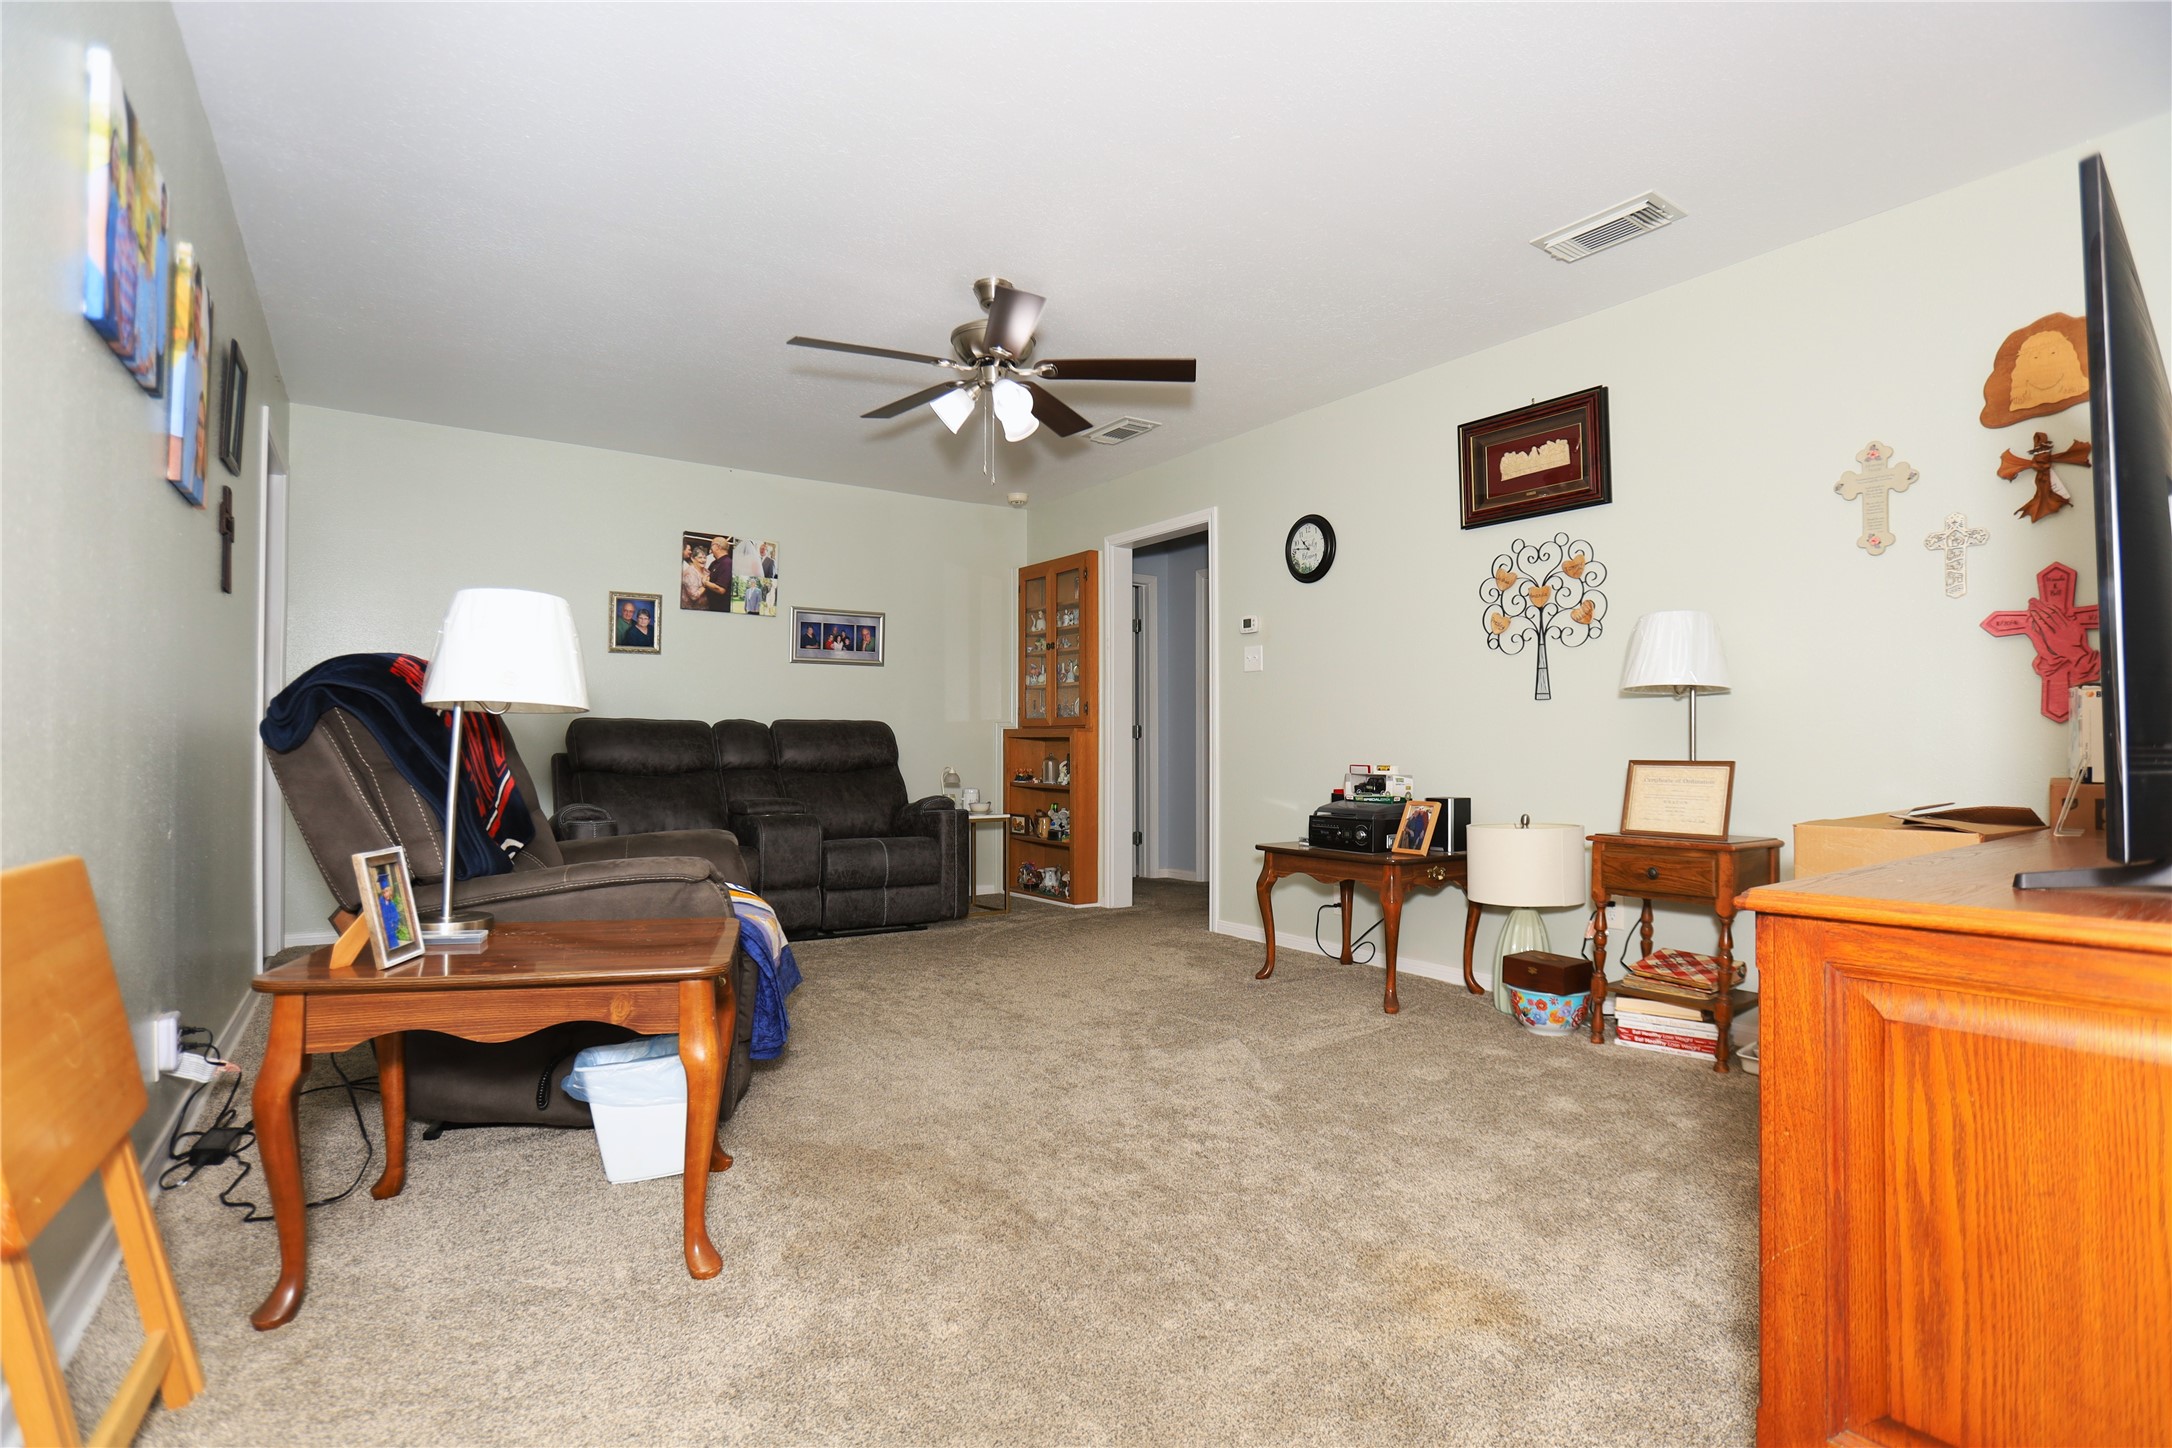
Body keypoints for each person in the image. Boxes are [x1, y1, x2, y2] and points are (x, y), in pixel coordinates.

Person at [703, 535, 734, 611]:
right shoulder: (714, 563)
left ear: (717, 547)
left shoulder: (727, 564)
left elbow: (721, 589)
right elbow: (707, 575)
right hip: (711, 606)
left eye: (711, 546)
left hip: (720, 609)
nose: (710, 550)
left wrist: (705, 582)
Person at [680, 542, 708, 610]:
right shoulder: (689, 573)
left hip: (705, 609)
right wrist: (705, 585)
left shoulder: (706, 571)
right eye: (700, 557)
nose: (703, 560)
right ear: (692, 558)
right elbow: (694, 596)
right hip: (691, 610)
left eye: (704, 557)